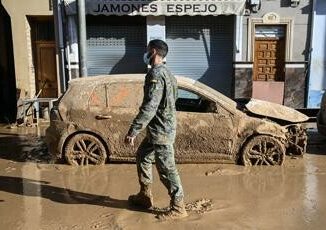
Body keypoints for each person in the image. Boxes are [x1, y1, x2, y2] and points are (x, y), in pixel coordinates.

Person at [124, 39, 188, 220]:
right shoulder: (169, 73)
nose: (145, 54)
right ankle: (145, 195)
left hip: (161, 131)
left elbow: (150, 106)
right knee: (143, 156)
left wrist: (133, 130)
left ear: (153, 52)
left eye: (147, 51)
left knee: (167, 169)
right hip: (158, 129)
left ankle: (178, 207)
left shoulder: (156, 75)